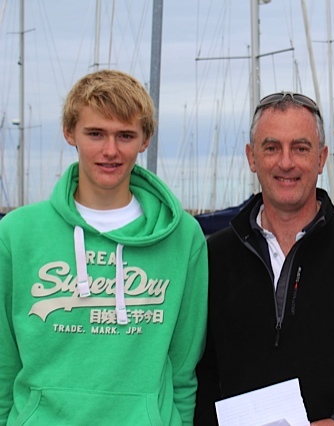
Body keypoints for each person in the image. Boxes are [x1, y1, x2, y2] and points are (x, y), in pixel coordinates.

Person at [195, 92, 334, 425]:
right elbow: (199, 370)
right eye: (271, 148)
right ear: (251, 157)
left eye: (300, 148)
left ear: (321, 158)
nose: (286, 162)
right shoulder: (214, 256)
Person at [0, 69, 208, 425]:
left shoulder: (184, 237)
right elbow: (4, 360)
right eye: (95, 133)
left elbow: (183, 368)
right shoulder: (16, 233)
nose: (110, 151)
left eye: (125, 135)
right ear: (70, 133)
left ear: (145, 140)